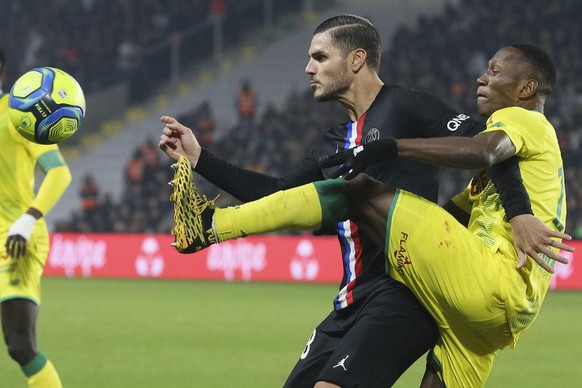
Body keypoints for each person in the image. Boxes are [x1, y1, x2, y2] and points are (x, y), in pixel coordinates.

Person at [159, 15, 555, 387]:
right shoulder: (333, 143)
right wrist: (199, 160)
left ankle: (212, 226)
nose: (308, 69)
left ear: (355, 60)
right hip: (352, 295)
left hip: (405, 292)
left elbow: (487, 145)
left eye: (319, 57)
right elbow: (279, 197)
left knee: (358, 189)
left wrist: (519, 212)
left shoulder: (405, 105)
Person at [0, 49, 71, 387]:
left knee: (20, 344)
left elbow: (59, 174)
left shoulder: (18, 115)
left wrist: (27, 221)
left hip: (16, 238)